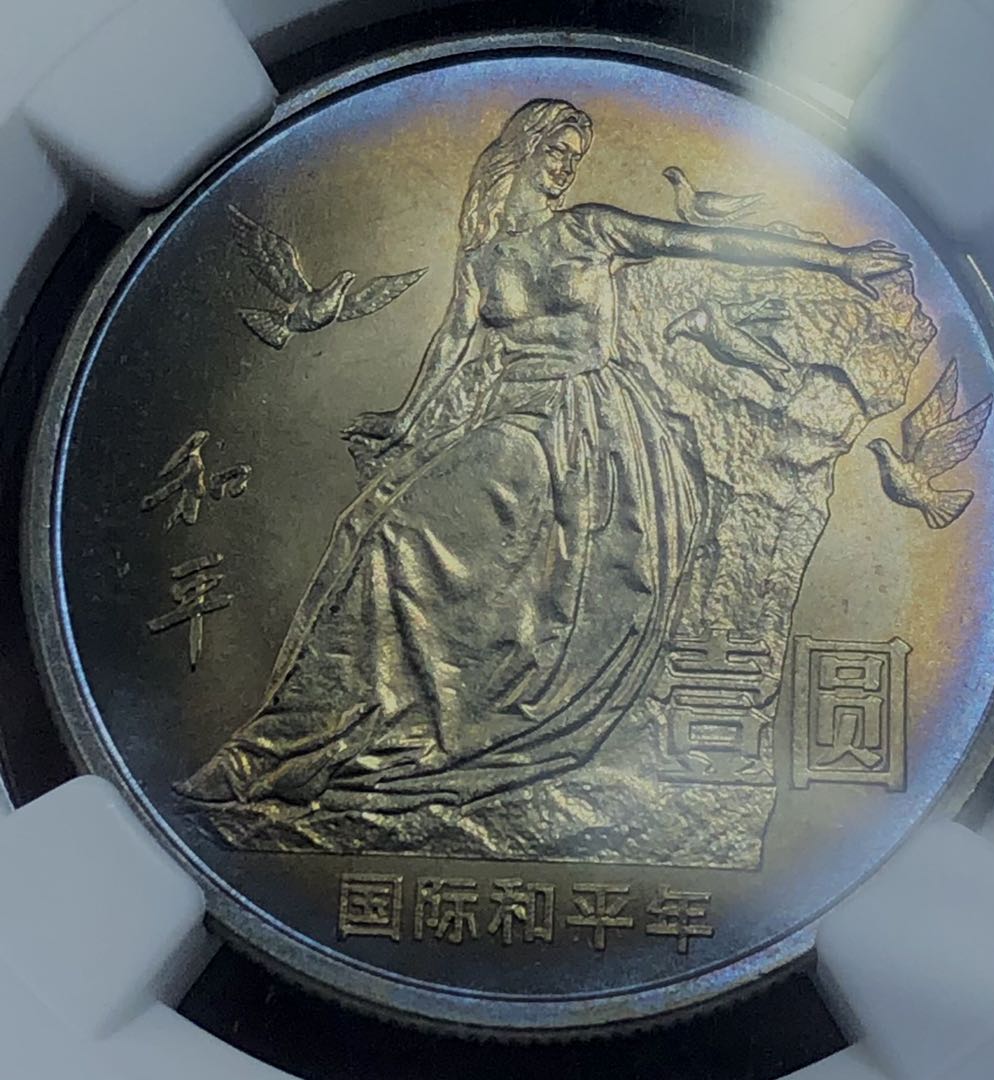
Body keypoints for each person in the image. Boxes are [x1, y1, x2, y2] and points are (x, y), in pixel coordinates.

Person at [179, 98, 909, 811]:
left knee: (400, 539)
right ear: (519, 154)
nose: (564, 166)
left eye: (574, 156)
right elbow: (452, 346)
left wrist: (835, 259)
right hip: (511, 413)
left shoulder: (589, 230)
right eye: (555, 151)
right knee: (369, 533)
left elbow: (707, 243)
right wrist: (405, 421)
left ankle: (303, 743)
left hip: (585, 428)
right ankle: (289, 740)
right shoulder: (484, 259)